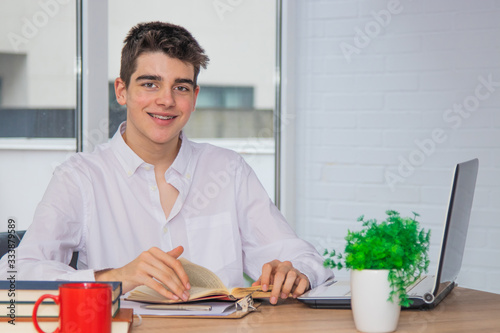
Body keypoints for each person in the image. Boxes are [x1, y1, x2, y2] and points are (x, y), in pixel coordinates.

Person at [0, 21, 332, 305]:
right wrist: (117, 277)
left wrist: (296, 271)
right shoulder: (80, 177)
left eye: (181, 87)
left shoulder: (229, 170)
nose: (166, 100)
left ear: (194, 98)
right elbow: (16, 274)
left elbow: (303, 257)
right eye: (150, 84)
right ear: (122, 91)